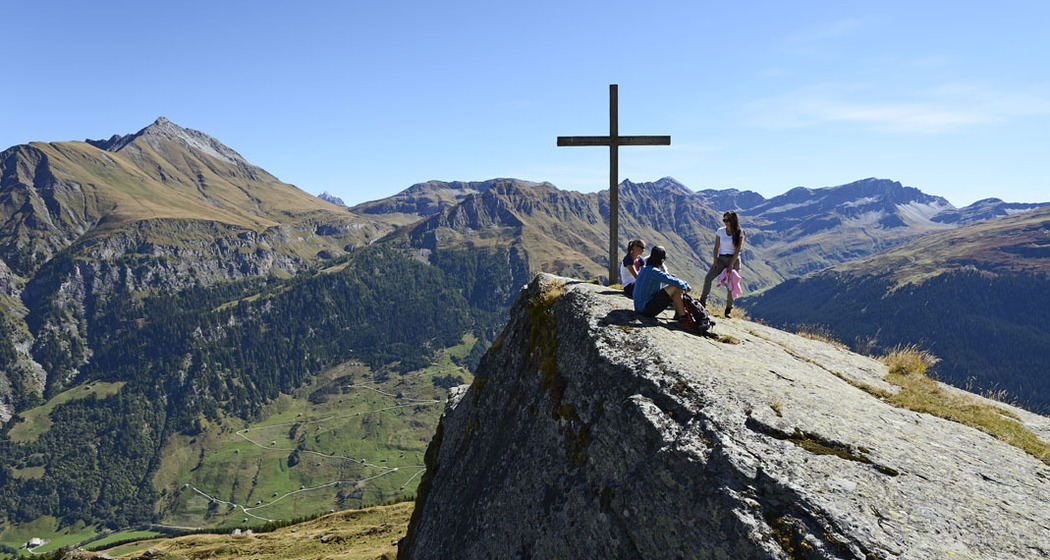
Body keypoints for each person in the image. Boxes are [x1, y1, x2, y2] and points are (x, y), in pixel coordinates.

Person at [699, 210, 746, 318]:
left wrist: (731, 265)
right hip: (721, 259)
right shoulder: (720, 231)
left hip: (733, 260)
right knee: (708, 277)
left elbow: (737, 250)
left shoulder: (739, 232)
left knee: (731, 285)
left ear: (733, 220)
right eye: (724, 220)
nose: (725, 222)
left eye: (727, 220)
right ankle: (702, 302)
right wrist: (715, 261)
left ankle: (728, 309)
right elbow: (716, 247)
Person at [633, 246, 694, 327]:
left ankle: (680, 315)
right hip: (646, 309)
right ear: (662, 260)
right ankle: (683, 318)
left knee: (675, 285)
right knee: (676, 286)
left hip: (639, 307)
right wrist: (686, 286)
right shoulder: (654, 272)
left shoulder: (644, 269)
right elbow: (672, 281)